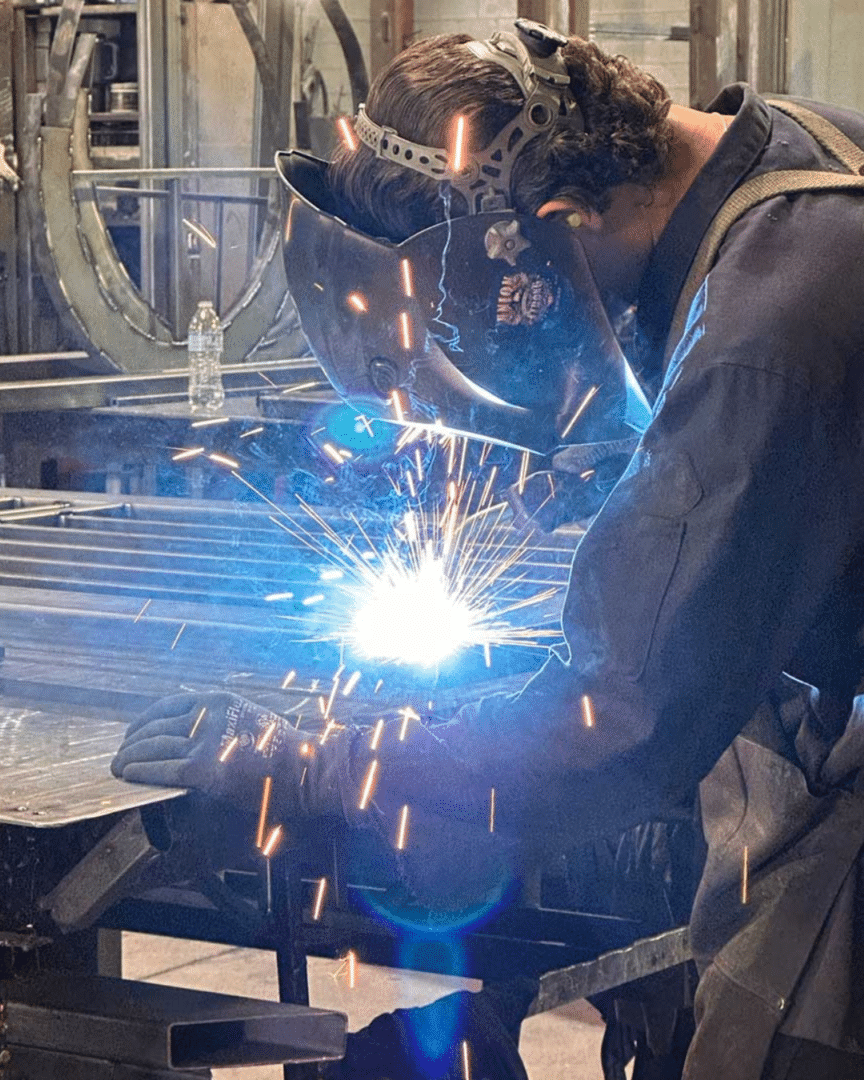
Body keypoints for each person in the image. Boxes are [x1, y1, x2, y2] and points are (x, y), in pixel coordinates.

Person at [113, 20, 864, 1080]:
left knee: (778, 1040)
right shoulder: (786, 157)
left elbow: (627, 722)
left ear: (561, 223)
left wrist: (320, 763)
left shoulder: (766, 342)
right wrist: (611, 472)